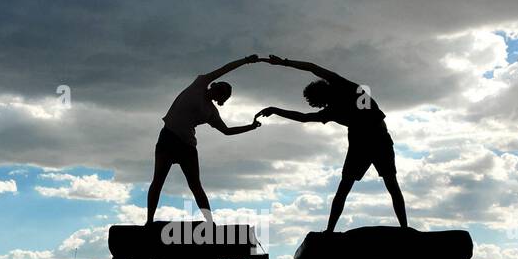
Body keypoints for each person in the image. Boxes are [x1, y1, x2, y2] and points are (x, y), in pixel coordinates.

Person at [256, 54, 408, 233]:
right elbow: (304, 116)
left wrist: (284, 63)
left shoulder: (342, 88)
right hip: (366, 141)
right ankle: (331, 230)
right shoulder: (333, 106)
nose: (319, 106)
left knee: (376, 185)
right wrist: (276, 109)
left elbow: (311, 70)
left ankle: (403, 229)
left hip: (374, 139)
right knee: (373, 185)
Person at [146, 54, 262, 225]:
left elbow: (227, 131)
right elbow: (225, 69)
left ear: (220, 97)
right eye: (219, 87)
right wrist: (246, 60)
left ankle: (210, 222)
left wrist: (250, 127)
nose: (218, 90)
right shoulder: (200, 84)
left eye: (222, 93)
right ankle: (149, 221)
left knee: (195, 186)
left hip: (187, 146)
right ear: (213, 85)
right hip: (168, 137)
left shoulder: (211, 112)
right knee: (158, 181)